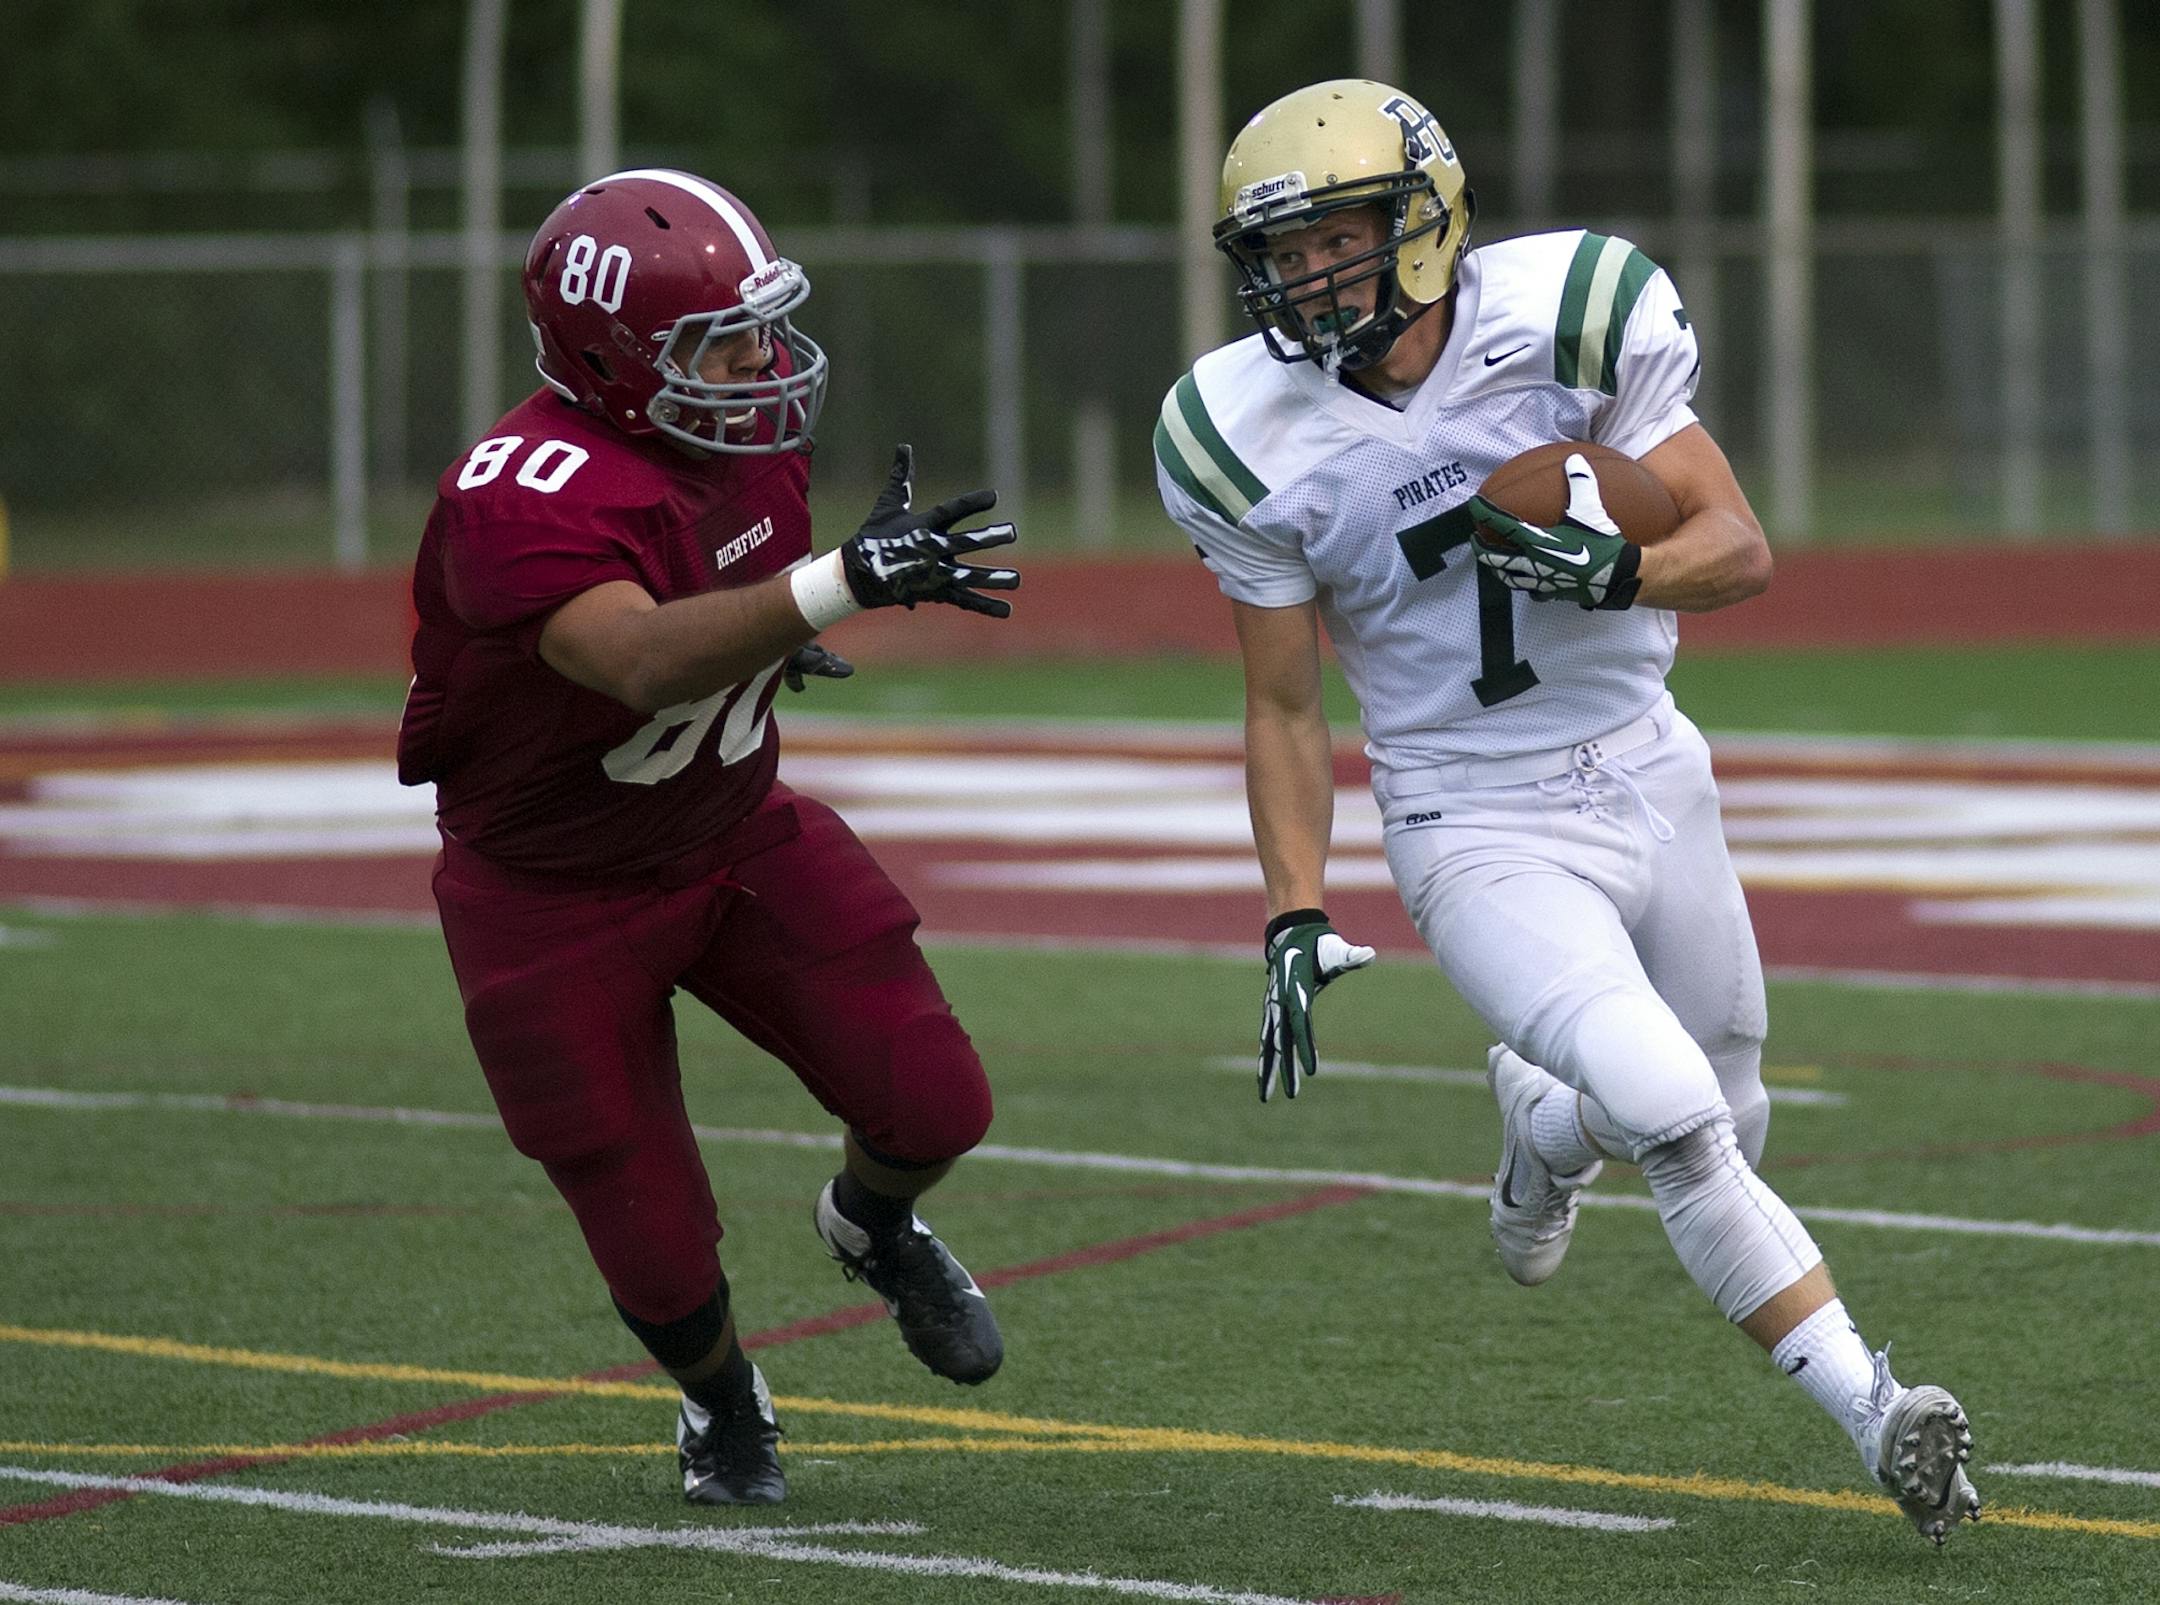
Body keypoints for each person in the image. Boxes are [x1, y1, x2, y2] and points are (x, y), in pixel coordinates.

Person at [1152, 81, 1980, 1545]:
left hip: (1649, 762)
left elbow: (1737, 544)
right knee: (1672, 1114)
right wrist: (1293, 905)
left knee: (1731, 1106)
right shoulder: (1238, 428)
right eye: (1276, 254)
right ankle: (1877, 1407)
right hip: (1468, 813)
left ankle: (1543, 1131)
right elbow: (1284, 704)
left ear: (1422, 225)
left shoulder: (1575, 312)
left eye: (1332, 239)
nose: (1301, 280)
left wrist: (1620, 575)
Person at [397, 168, 1018, 1508]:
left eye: (763, 324)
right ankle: (722, 1398)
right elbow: (633, 657)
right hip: (551, 894)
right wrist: (836, 585)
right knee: (654, 1238)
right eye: (716, 341)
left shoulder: (747, 443)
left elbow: (725, 619)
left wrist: (778, 644)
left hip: (732, 833)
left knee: (935, 1098)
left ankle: (872, 1222)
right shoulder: (520, 490)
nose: (759, 361)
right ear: (614, 357)